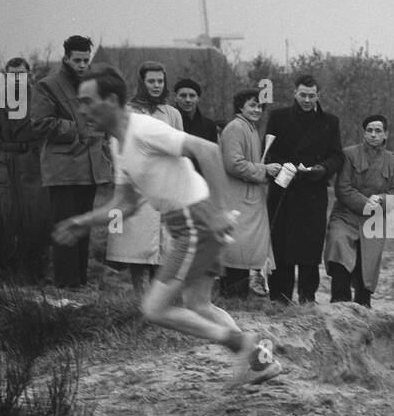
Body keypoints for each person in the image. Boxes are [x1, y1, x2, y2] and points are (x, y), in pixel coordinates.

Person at [52, 64, 281, 388]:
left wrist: (216, 211)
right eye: (80, 102)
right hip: (186, 222)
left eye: (88, 101)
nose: (82, 109)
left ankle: (242, 345)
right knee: (198, 304)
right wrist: (82, 221)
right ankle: (261, 362)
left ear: (113, 101)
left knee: (155, 308)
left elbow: (207, 150)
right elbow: (126, 204)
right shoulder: (119, 144)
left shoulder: (144, 129)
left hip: (195, 221)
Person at [31, 35, 114, 288]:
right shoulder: (48, 85)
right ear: (66, 58)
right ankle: (66, 283)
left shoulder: (92, 85)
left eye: (85, 60)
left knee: (83, 226)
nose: (81, 64)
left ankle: (80, 279)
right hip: (63, 169)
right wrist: (77, 129)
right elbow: (39, 123)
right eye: (77, 60)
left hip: (89, 168)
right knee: (66, 226)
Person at [264, 75, 343, 305]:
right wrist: (283, 165)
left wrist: (322, 169)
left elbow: (337, 156)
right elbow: (268, 151)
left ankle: (307, 297)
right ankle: (280, 296)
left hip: (313, 192)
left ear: (318, 95)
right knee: (281, 245)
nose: (307, 100)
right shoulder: (278, 117)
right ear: (294, 93)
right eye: (303, 95)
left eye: (312, 95)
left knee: (310, 247)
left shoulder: (330, 121)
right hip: (284, 191)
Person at [105, 62, 183, 296]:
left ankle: (157, 293)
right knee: (136, 240)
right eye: (151, 81)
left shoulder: (172, 113)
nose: (156, 86)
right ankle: (139, 291)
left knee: (164, 242)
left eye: (160, 81)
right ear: (142, 82)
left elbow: (180, 145)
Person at [324, 114, 394, 306]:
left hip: (375, 219)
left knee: (368, 260)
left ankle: (363, 304)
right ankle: (340, 301)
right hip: (346, 214)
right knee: (338, 243)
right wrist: (366, 202)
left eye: (378, 131)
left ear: (385, 134)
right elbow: (343, 188)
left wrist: (382, 199)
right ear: (364, 133)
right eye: (370, 130)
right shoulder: (349, 154)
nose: (374, 135)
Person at [0, 56, 47, 270]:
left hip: (34, 165)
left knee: (35, 218)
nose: (17, 79)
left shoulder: (41, 98)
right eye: (12, 75)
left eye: (21, 74)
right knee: (5, 218)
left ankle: (35, 267)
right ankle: (5, 269)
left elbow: (48, 134)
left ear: (29, 75)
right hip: (5, 166)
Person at [218, 90, 279, 300]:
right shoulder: (235, 128)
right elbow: (233, 164)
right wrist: (265, 170)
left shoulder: (250, 128)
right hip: (238, 199)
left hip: (249, 199)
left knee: (245, 250)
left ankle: (239, 298)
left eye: (260, 106)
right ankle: (230, 299)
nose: (257, 110)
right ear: (240, 107)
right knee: (236, 249)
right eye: (252, 105)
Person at [173, 77, 220, 144]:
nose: (188, 100)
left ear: (198, 98)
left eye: (192, 96)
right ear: (175, 97)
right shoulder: (167, 122)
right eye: (183, 95)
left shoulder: (209, 126)